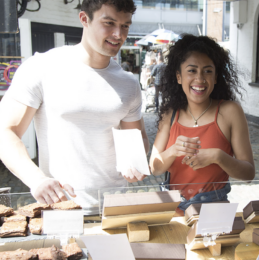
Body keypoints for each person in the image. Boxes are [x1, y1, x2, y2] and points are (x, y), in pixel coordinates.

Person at [0, 0, 149, 213]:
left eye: (125, 25)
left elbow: (137, 137)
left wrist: (135, 161)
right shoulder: (42, 67)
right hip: (62, 206)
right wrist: (37, 180)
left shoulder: (128, 83)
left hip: (115, 206)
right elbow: (5, 131)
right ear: (84, 19)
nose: (119, 33)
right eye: (109, 23)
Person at [149, 34, 255, 214]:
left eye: (207, 71)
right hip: (174, 210)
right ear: (179, 76)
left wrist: (218, 156)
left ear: (215, 77)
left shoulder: (230, 111)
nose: (200, 78)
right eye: (191, 70)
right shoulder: (170, 114)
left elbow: (248, 174)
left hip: (214, 212)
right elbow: (155, 168)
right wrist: (174, 150)